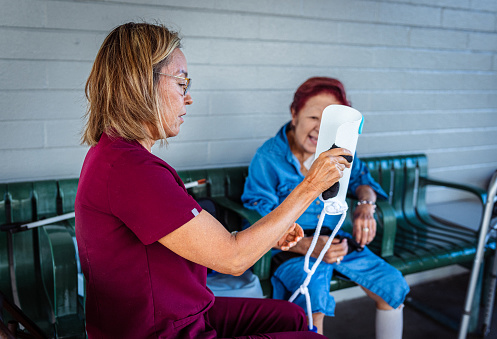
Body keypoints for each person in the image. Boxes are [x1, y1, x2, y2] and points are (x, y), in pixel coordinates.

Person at [74, 22, 350, 338]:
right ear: (141, 85)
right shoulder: (130, 169)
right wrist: (312, 185)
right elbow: (231, 259)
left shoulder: (116, 155)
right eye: (181, 83)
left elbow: (199, 243)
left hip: (178, 312)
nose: (187, 98)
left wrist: (268, 237)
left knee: (294, 318)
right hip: (160, 330)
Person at [241, 77, 410, 337]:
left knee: (392, 285)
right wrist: (304, 245)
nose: (320, 129)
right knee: (312, 301)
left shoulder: (339, 150)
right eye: (313, 118)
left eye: (329, 122)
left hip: (336, 243)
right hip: (291, 248)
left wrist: (366, 205)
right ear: (294, 114)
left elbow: (362, 180)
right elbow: (259, 219)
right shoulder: (268, 158)